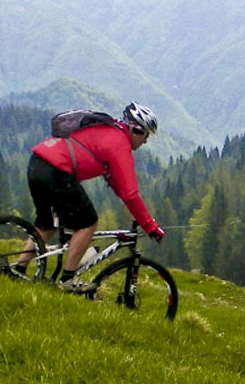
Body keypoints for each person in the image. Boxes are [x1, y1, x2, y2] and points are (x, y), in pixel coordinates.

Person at [22, 103, 164, 293]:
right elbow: (130, 194)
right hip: (57, 171)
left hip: (37, 163)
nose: (145, 142)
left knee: (46, 225)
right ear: (136, 130)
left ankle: (18, 269)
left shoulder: (107, 130)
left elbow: (118, 184)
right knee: (88, 223)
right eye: (146, 135)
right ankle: (68, 279)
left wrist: (143, 218)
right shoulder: (119, 144)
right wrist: (150, 227)